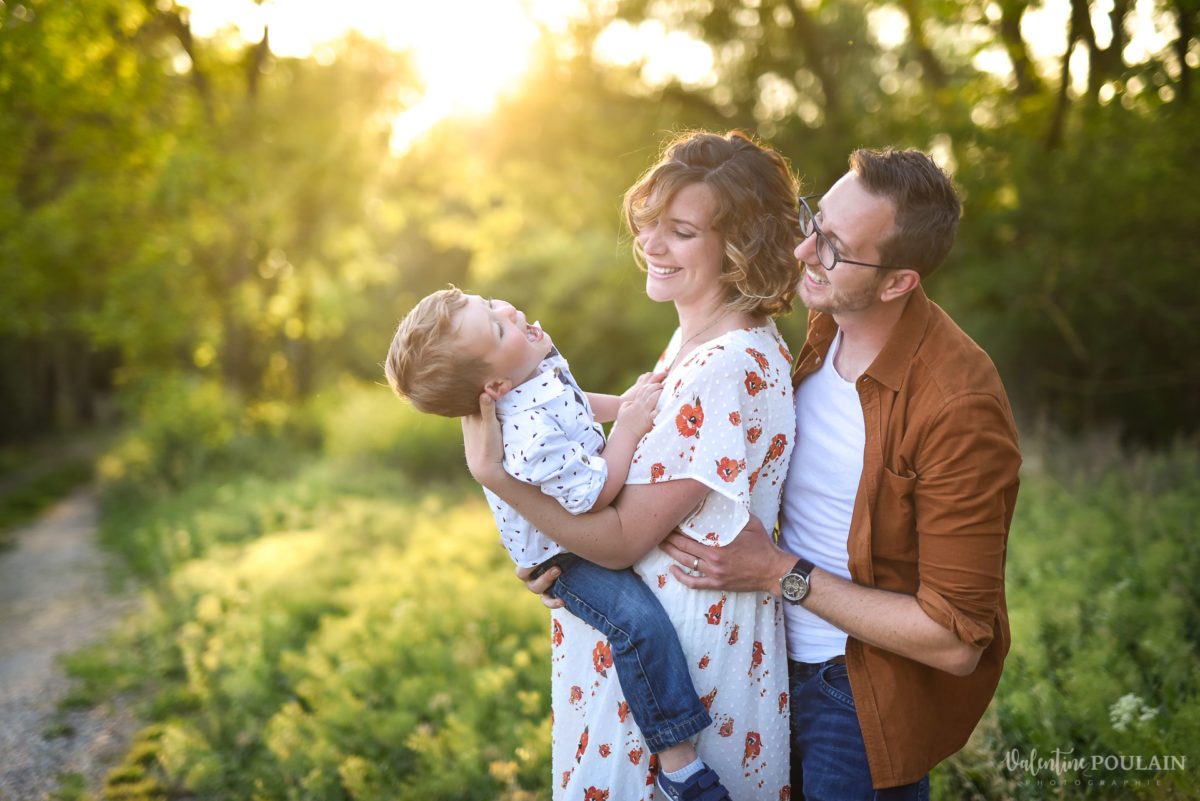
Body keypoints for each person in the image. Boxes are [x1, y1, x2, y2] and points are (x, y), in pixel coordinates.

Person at [659, 147, 1022, 800]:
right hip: (761, 658)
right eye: (813, 221)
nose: (804, 252)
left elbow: (955, 639)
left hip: (855, 696)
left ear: (897, 282)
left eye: (833, 247)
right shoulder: (828, 321)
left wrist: (777, 572)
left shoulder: (957, 405)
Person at [462, 130, 801, 801]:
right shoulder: (692, 338)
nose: (650, 243)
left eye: (680, 231)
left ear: (741, 248)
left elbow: (618, 543)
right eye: (651, 224)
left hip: (693, 664)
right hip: (651, 654)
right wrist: (563, 564)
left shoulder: (727, 364)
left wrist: (498, 479)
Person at [384, 285, 731, 792]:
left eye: (490, 304)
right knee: (637, 623)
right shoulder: (524, 434)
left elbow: (573, 404)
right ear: (496, 386)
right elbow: (594, 496)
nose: (508, 309)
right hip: (565, 556)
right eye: (497, 327)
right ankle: (680, 766)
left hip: (578, 515)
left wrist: (626, 405)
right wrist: (630, 430)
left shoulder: (532, 371)